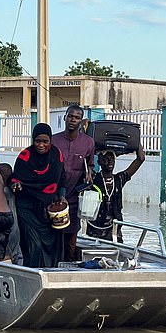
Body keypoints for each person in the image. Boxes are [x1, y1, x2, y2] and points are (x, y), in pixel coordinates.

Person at [11, 123, 67, 268]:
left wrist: (62, 196)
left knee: (54, 245)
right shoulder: (25, 157)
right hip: (27, 209)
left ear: (50, 141)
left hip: (48, 210)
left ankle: (52, 273)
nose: (41, 145)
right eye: (37, 141)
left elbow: (61, 180)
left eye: (45, 141)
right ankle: (32, 274)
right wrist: (16, 184)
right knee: (33, 245)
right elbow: (15, 178)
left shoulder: (56, 155)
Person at [52, 105, 95, 261]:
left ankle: (68, 267)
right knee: (54, 237)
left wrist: (89, 173)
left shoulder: (88, 143)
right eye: (70, 116)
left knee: (71, 240)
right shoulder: (53, 140)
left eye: (76, 118)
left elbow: (90, 164)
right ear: (65, 117)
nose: (72, 120)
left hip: (75, 197)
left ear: (80, 121)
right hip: (54, 197)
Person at [86, 144, 145, 242]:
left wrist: (136, 139)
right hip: (95, 233)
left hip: (114, 233)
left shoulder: (119, 179)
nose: (110, 161)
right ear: (99, 161)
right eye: (106, 158)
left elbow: (141, 158)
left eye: (112, 158)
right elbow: (84, 162)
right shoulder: (93, 179)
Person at [0, 163, 23, 265]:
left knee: (7, 254)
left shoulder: (2, 192)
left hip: (7, 230)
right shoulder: (11, 191)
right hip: (15, 229)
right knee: (16, 253)